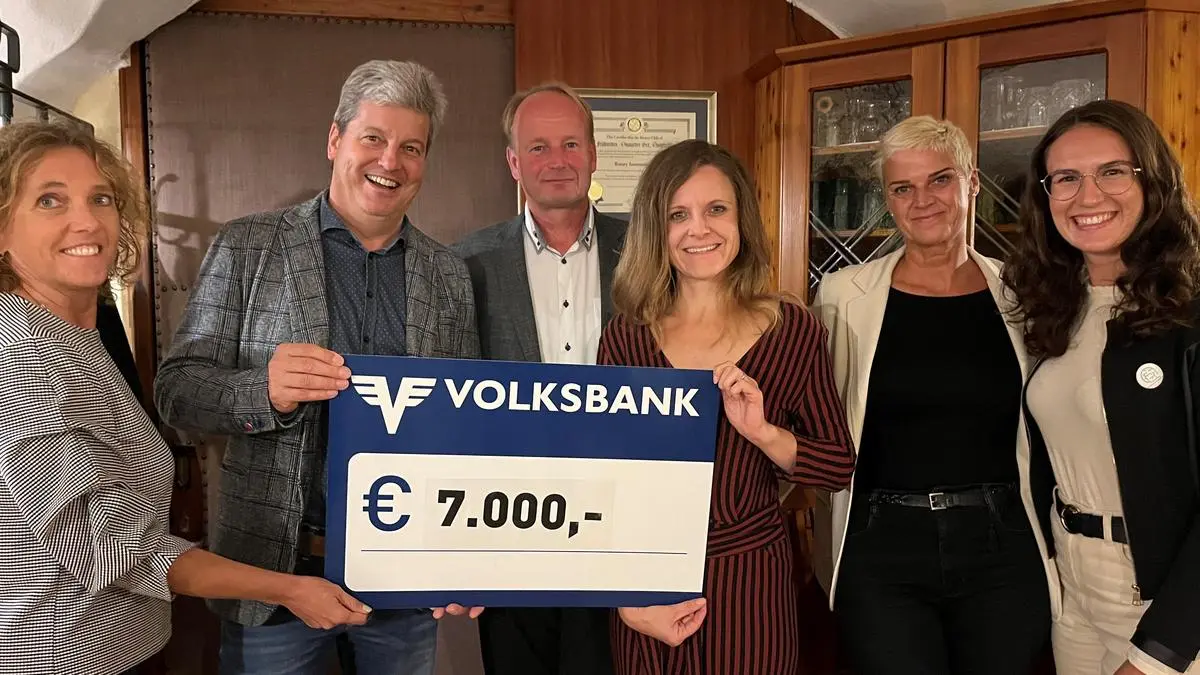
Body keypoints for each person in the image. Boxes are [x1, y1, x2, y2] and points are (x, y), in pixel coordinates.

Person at [0, 121, 372, 675]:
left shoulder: (77, 337)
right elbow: (114, 547)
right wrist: (287, 588)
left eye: (101, 198)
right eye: (49, 200)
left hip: (121, 643)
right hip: (57, 653)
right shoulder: (21, 360)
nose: (87, 220)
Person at [154, 60, 482, 675]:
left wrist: (463, 557)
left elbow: (466, 428)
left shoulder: (448, 275)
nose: (390, 162)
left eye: (411, 148)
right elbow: (176, 392)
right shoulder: (248, 246)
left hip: (405, 578)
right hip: (273, 574)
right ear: (335, 140)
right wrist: (264, 391)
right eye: (373, 138)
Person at [597, 138, 855, 674]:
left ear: (742, 219)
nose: (700, 229)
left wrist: (763, 432)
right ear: (656, 229)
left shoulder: (792, 331)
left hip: (752, 581)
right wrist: (626, 600)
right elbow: (608, 483)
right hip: (650, 586)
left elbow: (836, 466)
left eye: (716, 209)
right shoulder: (626, 337)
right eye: (678, 215)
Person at [812, 115, 1052, 675]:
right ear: (888, 200)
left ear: (972, 183)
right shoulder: (843, 295)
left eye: (940, 180)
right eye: (903, 187)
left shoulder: (1023, 294)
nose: (922, 201)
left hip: (1002, 543)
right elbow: (815, 414)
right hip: (881, 545)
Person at [1002, 99, 1200, 675]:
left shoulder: (1190, 313)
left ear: (1153, 181)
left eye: (1112, 171)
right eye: (1066, 179)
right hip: (1073, 592)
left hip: (1164, 601)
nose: (1087, 197)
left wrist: (1160, 652)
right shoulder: (1054, 307)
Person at [454, 82, 621, 675]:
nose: (557, 161)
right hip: (510, 523)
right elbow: (452, 406)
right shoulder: (465, 263)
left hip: (622, 517)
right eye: (538, 147)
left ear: (593, 154)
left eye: (571, 144)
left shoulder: (650, 251)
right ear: (513, 161)